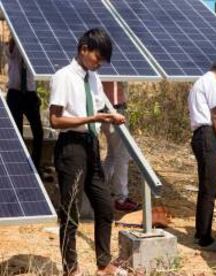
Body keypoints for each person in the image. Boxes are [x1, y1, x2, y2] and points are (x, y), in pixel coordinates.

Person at [49, 28, 127, 276]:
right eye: (97, 57)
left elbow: (102, 103)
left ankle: (104, 264)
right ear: (84, 49)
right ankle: (70, 269)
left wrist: (113, 115)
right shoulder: (63, 77)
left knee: (105, 207)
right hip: (71, 147)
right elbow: (55, 120)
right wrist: (91, 118)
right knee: (71, 210)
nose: (99, 63)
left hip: (91, 145)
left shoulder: (93, 77)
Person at [188, 58, 216, 253]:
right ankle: (205, 239)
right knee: (210, 190)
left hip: (199, 136)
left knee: (205, 188)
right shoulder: (212, 83)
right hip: (207, 136)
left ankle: (201, 233)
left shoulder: (199, 82)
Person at [6, 37, 43, 172]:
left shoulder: (33, 51)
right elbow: (9, 49)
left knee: (38, 132)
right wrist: (16, 35)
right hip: (15, 94)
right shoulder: (13, 49)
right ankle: (18, 166)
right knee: (17, 132)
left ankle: (35, 166)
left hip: (30, 94)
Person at [101, 81, 139, 212]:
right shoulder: (109, 65)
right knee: (122, 156)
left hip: (108, 110)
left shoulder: (101, 64)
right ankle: (121, 198)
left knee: (112, 155)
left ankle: (100, 188)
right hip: (114, 110)